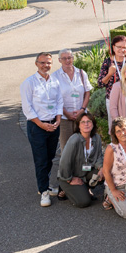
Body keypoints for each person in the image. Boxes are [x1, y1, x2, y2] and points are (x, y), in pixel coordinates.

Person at [21, 52, 63, 206]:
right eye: (43, 62)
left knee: (49, 157)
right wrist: (41, 124)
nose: (46, 65)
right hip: (37, 127)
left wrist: (58, 120)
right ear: (36, 63)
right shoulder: (29, 83)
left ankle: (44, 184)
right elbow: (27, 108)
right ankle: (44, 191)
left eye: (49, 63)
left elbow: (59, 101)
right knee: (41, 159)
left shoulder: (55, 82)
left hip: (53, 125)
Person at [52, 48, 92, 196]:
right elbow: (54, 98)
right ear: (59, 61)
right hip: (64, 118)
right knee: (66, 151)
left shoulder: (81, 73)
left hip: (82, 118)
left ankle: (84, 184)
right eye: (64, 58)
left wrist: (82, 109)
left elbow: (87, 92)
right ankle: (65, 184)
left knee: (83, 150)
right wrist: (67, 113)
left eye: (70, 58)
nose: (68, 61)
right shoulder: (55, 76)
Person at [57, 113, 103, 208]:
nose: (86, 124)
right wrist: (69, 179)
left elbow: (99, 156)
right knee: (84, 202)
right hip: (70, 175)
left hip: (85, 172)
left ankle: (83, 188)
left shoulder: (96, 138)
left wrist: (101, 168)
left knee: (105, 173)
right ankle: (64, 187)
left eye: (89, 121)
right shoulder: (74, 140)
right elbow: (64, 162)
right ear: (78, 125)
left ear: (93, 124)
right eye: (83, 122)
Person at [97, 35, 126, 130]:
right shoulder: (108, 62)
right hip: (112, 100)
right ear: (113, 47)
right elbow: (100, 84)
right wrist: (110, 74)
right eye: (119, 47)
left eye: (124, 47)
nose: (122, 50)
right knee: (115, 126)